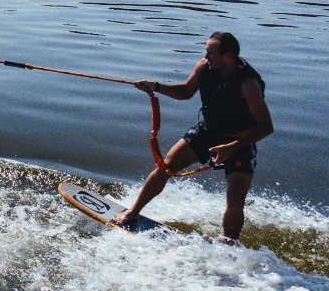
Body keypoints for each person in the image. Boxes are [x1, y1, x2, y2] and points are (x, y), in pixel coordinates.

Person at [112, 32, 273, 241]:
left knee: (234, 202)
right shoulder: (204, 68)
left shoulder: (248, 84)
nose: (206, 57)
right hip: (208, 132)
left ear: (228, 57)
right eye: (206, 52)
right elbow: (185, 92)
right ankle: (132, 212)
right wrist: (157, 87)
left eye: (210, 53)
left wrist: (230, 147)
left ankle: (228, 245)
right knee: (165, 168)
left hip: (240, 141)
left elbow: (265, 127)